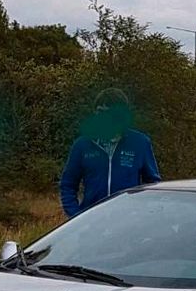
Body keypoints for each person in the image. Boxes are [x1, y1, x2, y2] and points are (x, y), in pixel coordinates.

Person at [59, 88, 161, 218]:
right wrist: (76, 215)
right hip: (91, 221)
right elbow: (67, 184)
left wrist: (141, 214)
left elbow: (152, 185)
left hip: (127, 221)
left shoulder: (140, 143)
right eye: (99, 112)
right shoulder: (82, 144)